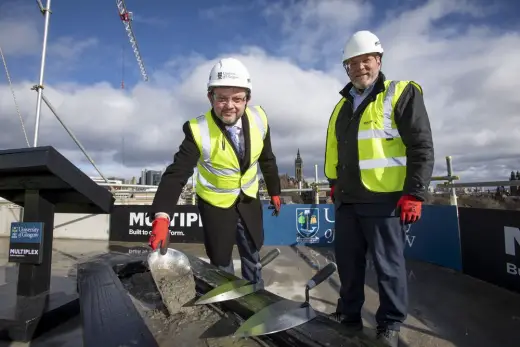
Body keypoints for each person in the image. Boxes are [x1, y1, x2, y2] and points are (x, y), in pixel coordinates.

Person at [324, 30, 434, 346]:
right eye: (352, 63)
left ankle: (390, 323)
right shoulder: (341, 107)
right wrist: (334, 183)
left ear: (379, 60)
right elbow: (334, 150)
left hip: (384, 201)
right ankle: (348, 315)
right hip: (347, 200)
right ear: (346, 68)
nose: (360, 67)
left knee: (388, 268)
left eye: (365, 60)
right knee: (348, 264)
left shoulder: (401, 94)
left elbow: (421, 146)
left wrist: (415, 192)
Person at [147, 57, 282, 285]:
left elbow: (267, 158)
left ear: (247, 99)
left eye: (238, 99)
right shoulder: (197, 130)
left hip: (248, 201)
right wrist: (161, 217)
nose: (230, 106)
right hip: (215, 205)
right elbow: (176, 174)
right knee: (221, 264)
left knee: (252, 255)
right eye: (222, 98)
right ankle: (228, 303)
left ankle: (256, 296)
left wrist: (275, 190)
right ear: (210, 97)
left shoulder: (260, 119)